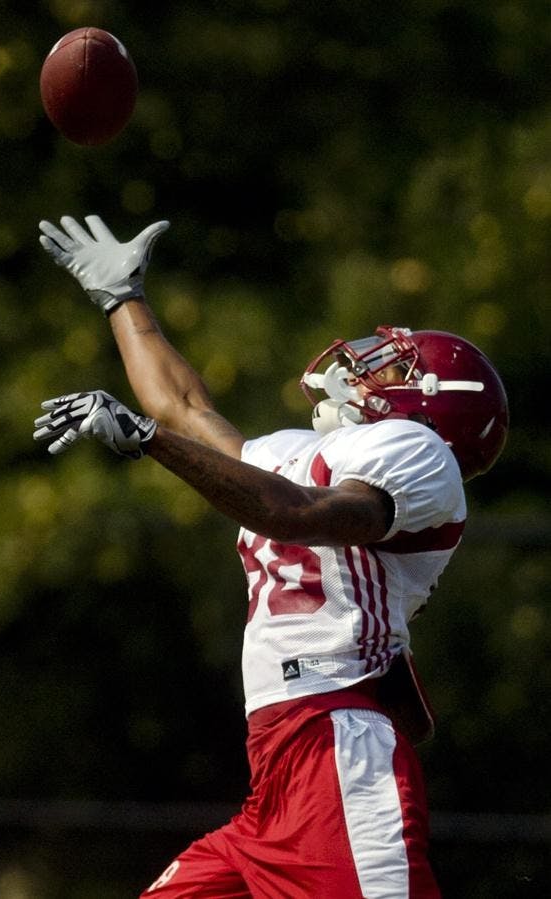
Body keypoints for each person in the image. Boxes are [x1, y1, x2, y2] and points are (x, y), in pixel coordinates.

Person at [33, 214, 508, 899]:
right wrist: (122, 299)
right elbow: (183, 406)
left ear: (433, 404)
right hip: (278, 769)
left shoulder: (418, 453)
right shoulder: (304, 453)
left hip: (336, 745)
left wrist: (148, 442)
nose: (371, 364)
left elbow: (299, 514)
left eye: (399, 365)